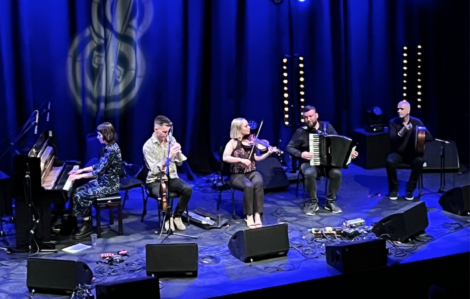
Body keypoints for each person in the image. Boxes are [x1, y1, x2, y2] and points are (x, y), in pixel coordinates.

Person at [286, 105, 358, 215]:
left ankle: (330, 202)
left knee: (336, 173)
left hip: (327, 164)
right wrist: (301, 154)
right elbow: (289, 147)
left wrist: (349, 152)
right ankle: (313, 203)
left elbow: (339, 144)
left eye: (310, 116)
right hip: (309, 163)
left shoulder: (327, 127)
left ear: (316, 115)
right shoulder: (301, 132)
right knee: (310, 172)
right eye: (305, 117)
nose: (308, 119)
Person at [68, 122, 122, 240]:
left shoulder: (112, 150)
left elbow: (98, 172)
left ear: (105, 135)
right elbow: (98, 165)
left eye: (99, 135)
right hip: (102, 181)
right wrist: (80, 171)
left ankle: (86, 225)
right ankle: (75, 221)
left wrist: (79, 176)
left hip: (109, 185)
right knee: (78, 190)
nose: (97, 137)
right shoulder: (108, 147)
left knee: (80, 195)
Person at [222, 118, 276, 229]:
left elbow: (256, 158)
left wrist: (268, 153)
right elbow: (225, 157)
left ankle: (257, 214)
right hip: (237, 175)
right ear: (238, 128)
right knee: (248, 185)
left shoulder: (251, 142)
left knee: (258, 182)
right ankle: (249, 215)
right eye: (246, 126)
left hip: (251, 172)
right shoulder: (232, 142)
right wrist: (241, 160)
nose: (249, 127)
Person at [143, 115, 192, 233]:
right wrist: (168, 157)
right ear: (156, 130)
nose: (167, 134)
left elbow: (179, 164)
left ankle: (177, 216)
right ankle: (167, 218)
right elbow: (154, 170)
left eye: (168, 131)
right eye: (164, 132)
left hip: (172, 177)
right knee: (163, 193)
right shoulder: (147, 146)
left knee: (187, 189)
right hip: (155, 180)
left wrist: (178, 152)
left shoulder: (171, 139)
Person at [386, 100, 433, 200]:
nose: (399, 111)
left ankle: (410, 190)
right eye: (398, 109)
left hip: (412, 154)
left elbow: (430, 137)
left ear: (408, 111)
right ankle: (394, 189)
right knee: (389, 161)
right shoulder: (393, 122)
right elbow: (393, 138)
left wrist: (419, 136)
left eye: (401, 109)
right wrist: (404, 129)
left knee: (419, 161)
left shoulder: (416, 122)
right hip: (398, 153)